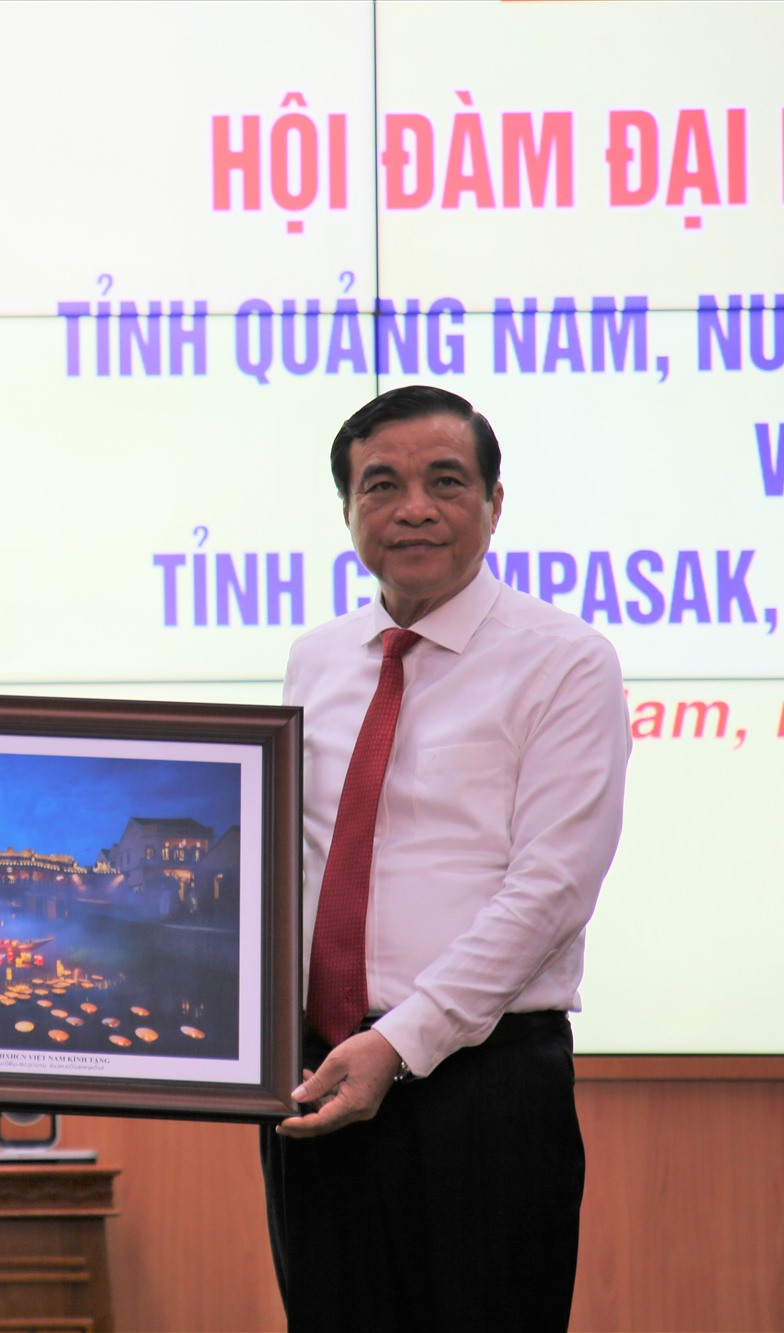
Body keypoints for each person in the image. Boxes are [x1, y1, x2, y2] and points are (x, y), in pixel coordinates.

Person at [262, 386, 630, 1331]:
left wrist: (401, 1040)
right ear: (347, 510)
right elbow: (285, 864)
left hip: (483, 1088)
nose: (412, 507)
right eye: (380, 484)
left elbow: (551, 889)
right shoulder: (317, 658)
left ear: (495, 504)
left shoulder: (565, 660)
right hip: (318, 1079)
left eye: (446, 482)